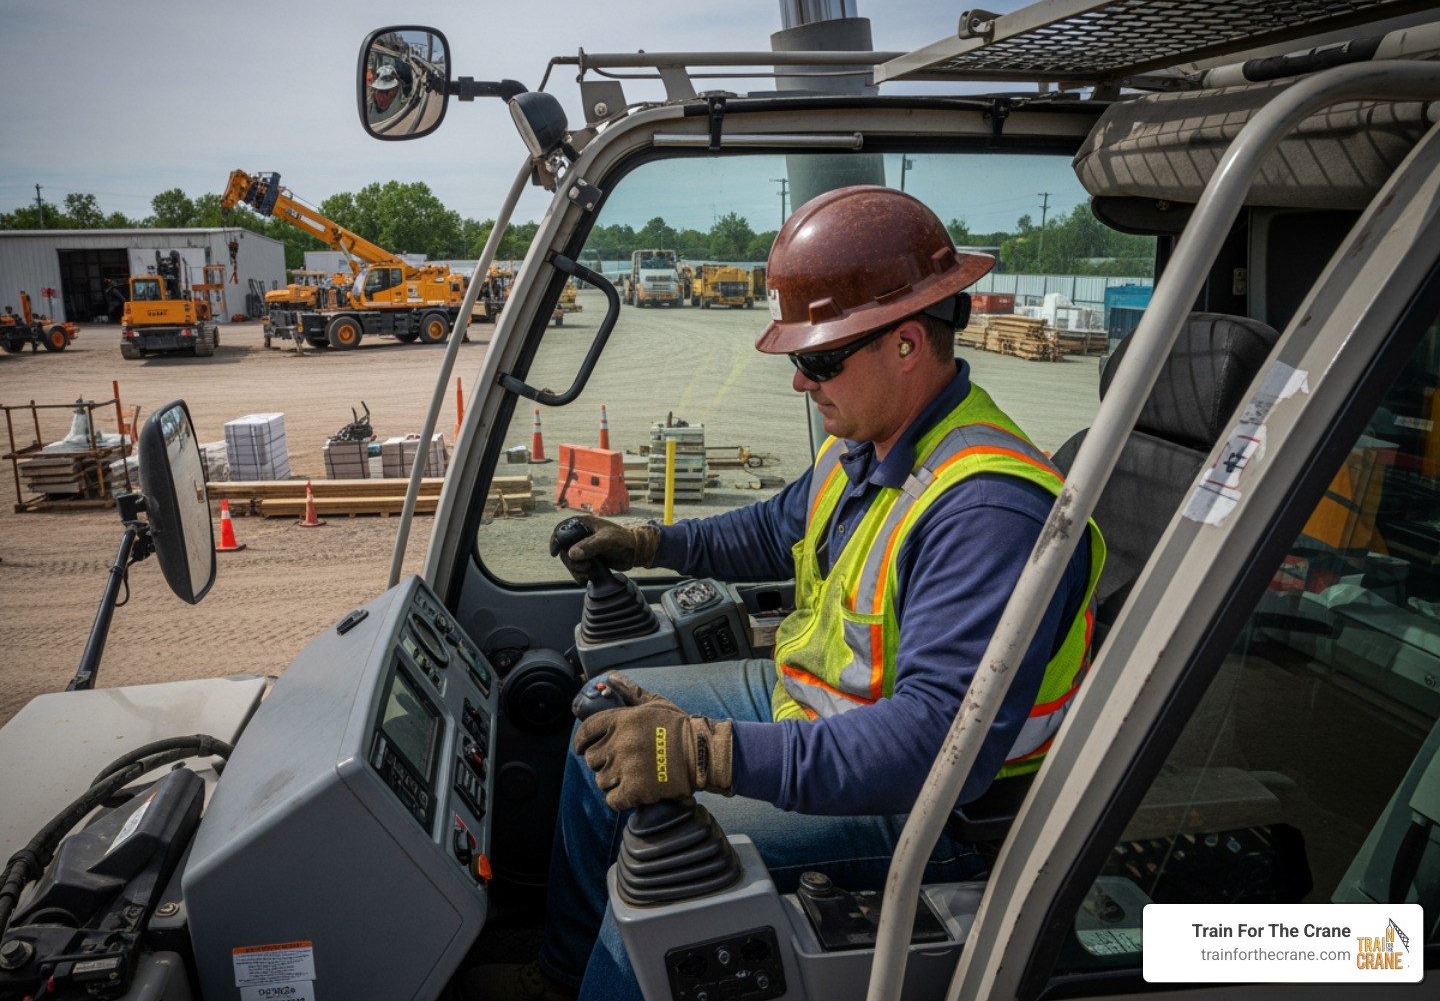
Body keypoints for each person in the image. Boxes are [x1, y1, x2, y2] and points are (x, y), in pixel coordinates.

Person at [462, 186, 1104, 1001]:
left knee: (658, 887)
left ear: (907, 344)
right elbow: (774, 530)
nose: (802, 383)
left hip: (919, 808)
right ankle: (560, 977)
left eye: (818, 359)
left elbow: (934, 748)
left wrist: (708, 753)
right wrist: (653, 542)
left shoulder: (985, 510)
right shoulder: (872, 441)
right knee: (600, 722)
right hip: (815, 707)